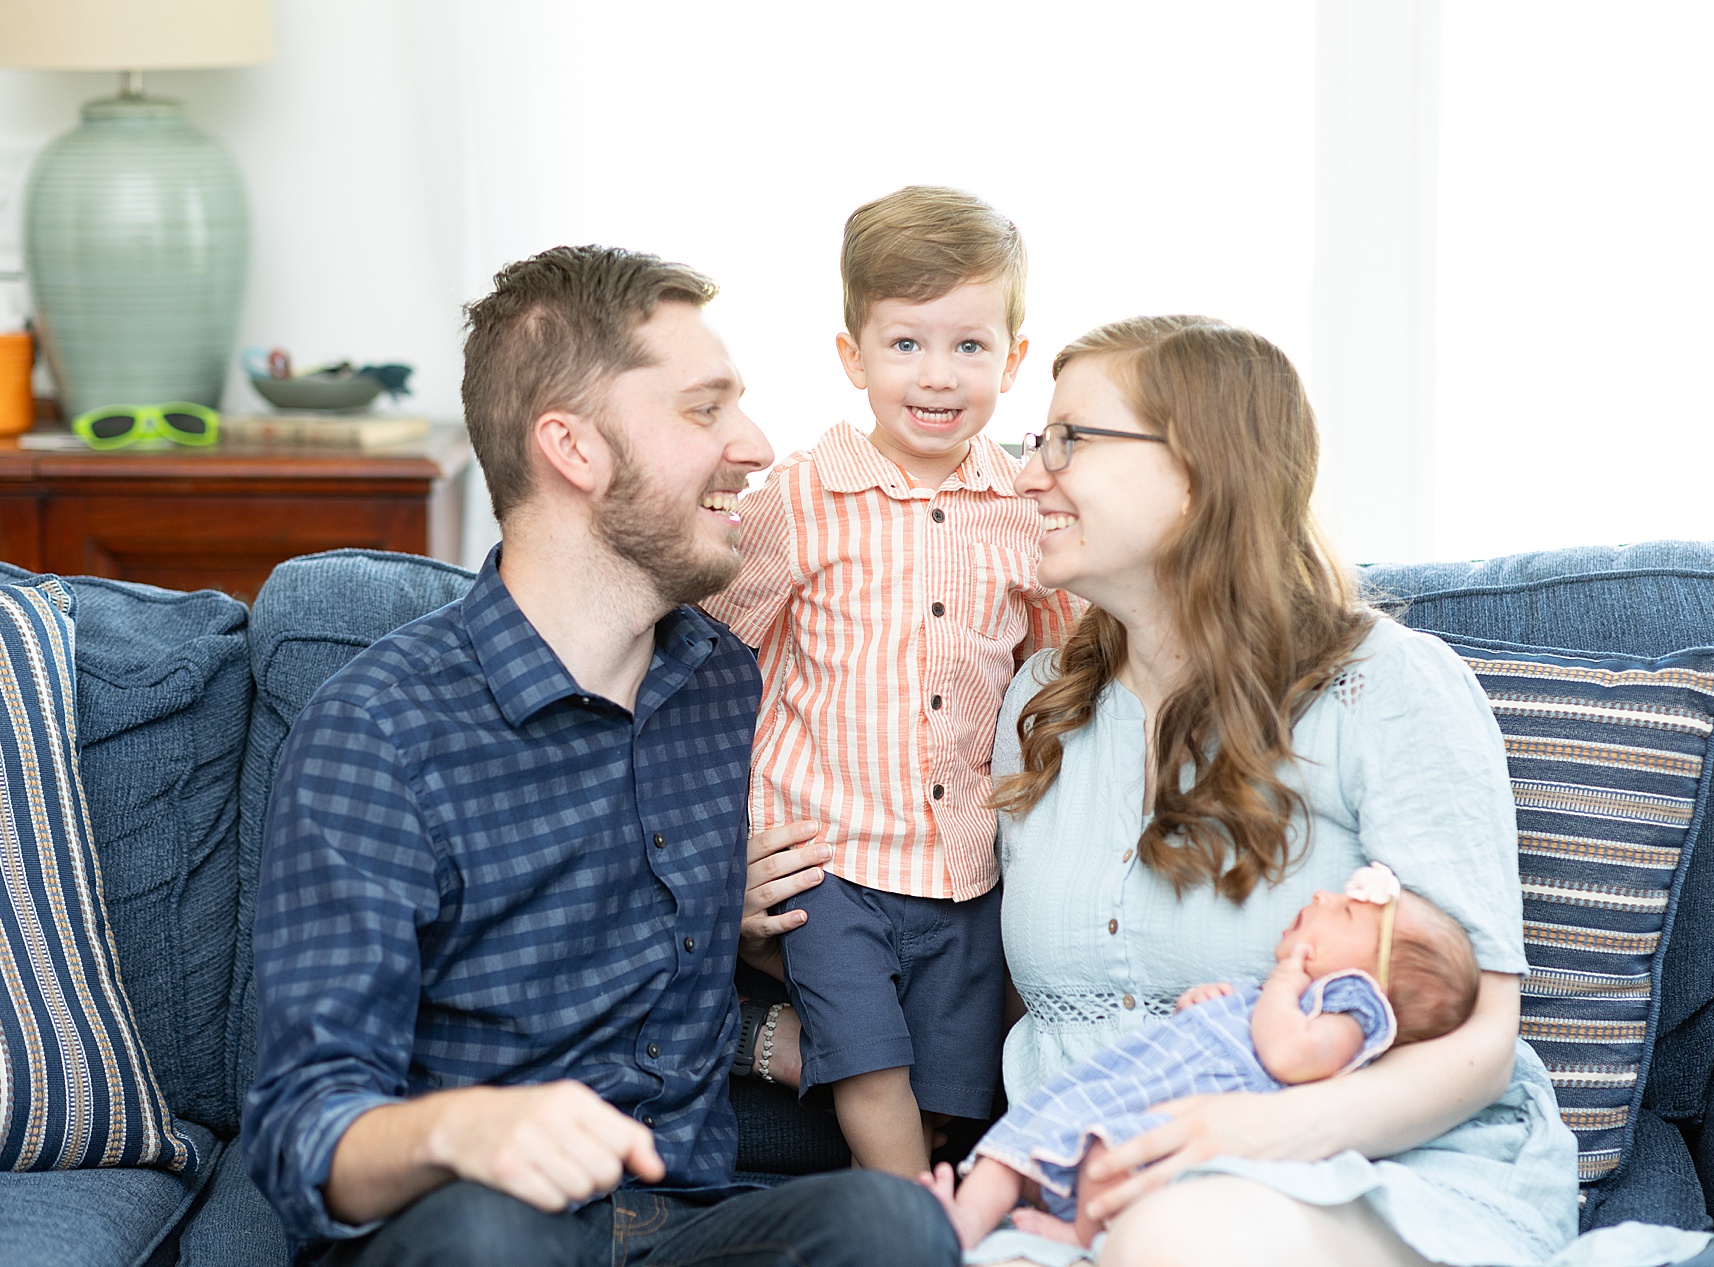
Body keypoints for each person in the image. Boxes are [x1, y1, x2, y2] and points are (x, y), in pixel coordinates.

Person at [243, 245, 959, 1267]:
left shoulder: (734, 686)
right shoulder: (382, 727)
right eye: (703, 410)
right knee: (494, 1238)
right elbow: (299, 1125)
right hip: (472, 1228)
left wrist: (744, 941)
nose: (753, 444)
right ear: (573, 450)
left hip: (689, 1222)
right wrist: (465, 1127)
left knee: (891, 1224)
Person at [957, 315, 1714, 1266]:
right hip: (1081, 1199)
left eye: (1072, 438)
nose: (1030, 471)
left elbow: (1478, 1044)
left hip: (1373, 1169)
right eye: (1039, 439)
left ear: (1201, 471)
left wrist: (1244, 1137)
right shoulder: (1041, 701)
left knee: (1177, 1237)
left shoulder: (1387, 687)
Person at [701, 187, 1078, 1177]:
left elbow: (1059, 667)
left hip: (962, 865)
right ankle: (915, 1221)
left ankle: (830, 1082)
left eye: (968, 347)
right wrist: (720, 832)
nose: (938, 376)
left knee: (950, 1094)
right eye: (906, 345)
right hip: (822, 853)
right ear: (853, 357)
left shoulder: (1023, 511)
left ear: (1013, 358)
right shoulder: (798, 498)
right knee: (872, 1077)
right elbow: (706, 651)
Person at [925, 865, 1480, 1251]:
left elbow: (1286, 1055)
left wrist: (1284, 980)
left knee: (1107, 1160)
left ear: (1375, 980)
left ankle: (1084, 1237)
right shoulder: (1282, 997)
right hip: (1129, 1082)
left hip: (1171, 1116)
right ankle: (963, 1223)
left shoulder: (1349, 1015)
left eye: (1345, 913)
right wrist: (1209, 1003)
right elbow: (1237, 1027)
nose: (1320, 898)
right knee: (1031, 1130)